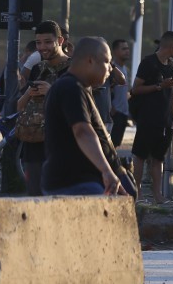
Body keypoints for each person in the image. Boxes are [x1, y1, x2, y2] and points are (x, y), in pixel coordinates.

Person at [41, 37, 133, 197]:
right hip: (77, 183)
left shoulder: (80, 88)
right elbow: (83, 131)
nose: (110, 69)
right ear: (90, 61)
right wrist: (106, 171)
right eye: (107, 62)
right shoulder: (70, 87)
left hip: (84, 182)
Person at [17, 21, 70, 196]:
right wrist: (29, 94)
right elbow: (19, 106)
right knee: (33, 198)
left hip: (60, 146)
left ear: (60, 41)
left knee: (56, 200)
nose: (42, 47)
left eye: (48, 42)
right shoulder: (37, 68)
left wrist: (51, 91)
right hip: (32, 146)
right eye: (38, 43)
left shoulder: (73, 69)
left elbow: (82, 107)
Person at [130, 32, 173, 203]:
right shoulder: (148, 62)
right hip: (148, 117)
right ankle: (137, 193)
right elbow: (135, 89)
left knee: (158, 158)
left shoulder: (172, 65)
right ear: (170, 46)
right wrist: (159, 86)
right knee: (141, 156)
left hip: (165, 119)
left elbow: (172, 93)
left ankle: (158, 195)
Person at [108, 38, 132, 149]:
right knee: (109, 146)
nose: (127, 51)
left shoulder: (124, 69)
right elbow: (108, 90)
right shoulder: (111, 69)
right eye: (123, 49)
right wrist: (112, 108)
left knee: (116, 145)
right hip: (115, 114)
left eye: (127, 48)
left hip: (123, 113)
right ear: (115, 51)